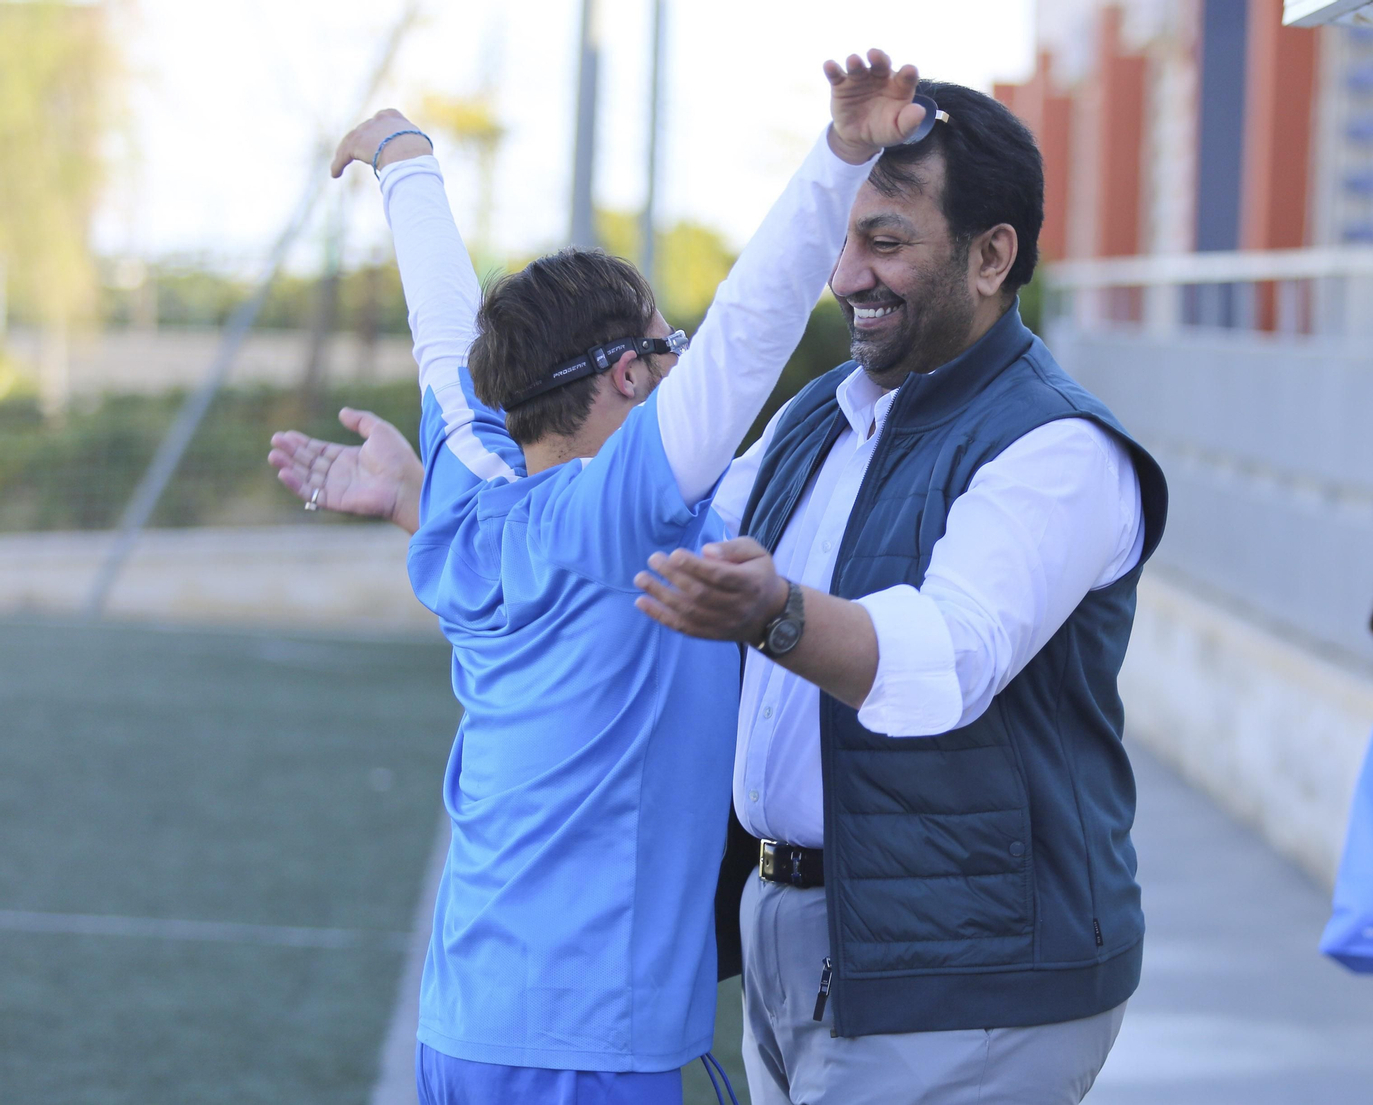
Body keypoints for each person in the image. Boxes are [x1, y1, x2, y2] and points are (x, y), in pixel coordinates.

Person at [273, 51, 925, 1105]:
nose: (685, 364)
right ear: (630, 372)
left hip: (467, 1024)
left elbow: (443, 340)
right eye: (668, 348)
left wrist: (405, 161)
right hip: (582, 1049)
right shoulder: (619, 506)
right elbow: (751, 330)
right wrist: (840, 156)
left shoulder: (470, 485)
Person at [630, 81, 1169, 1104]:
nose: (845, 276)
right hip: (791, 930)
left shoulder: (1056, 446)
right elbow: (661, 535)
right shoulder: (815, 417)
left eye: (883, 240)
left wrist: (773, 612)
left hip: (968, 971)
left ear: (991, 255)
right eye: (841, 239)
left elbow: (945, 655)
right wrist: (426, 501)